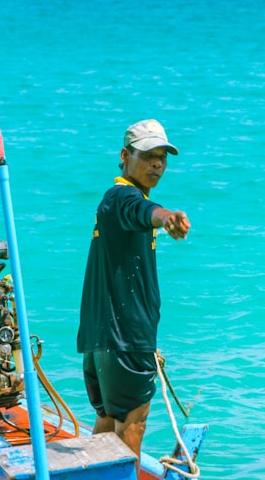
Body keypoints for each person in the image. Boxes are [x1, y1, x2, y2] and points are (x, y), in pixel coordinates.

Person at [76, 119, 191, 465]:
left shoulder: (112, 202)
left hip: (101, 339)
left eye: (163, 157)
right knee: (133, 423)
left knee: (109, 421)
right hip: (126, 338)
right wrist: (167, 216)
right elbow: (144, 212)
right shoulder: (124, 197)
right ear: (125, 156)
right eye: (148, 156)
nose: (157, 164)